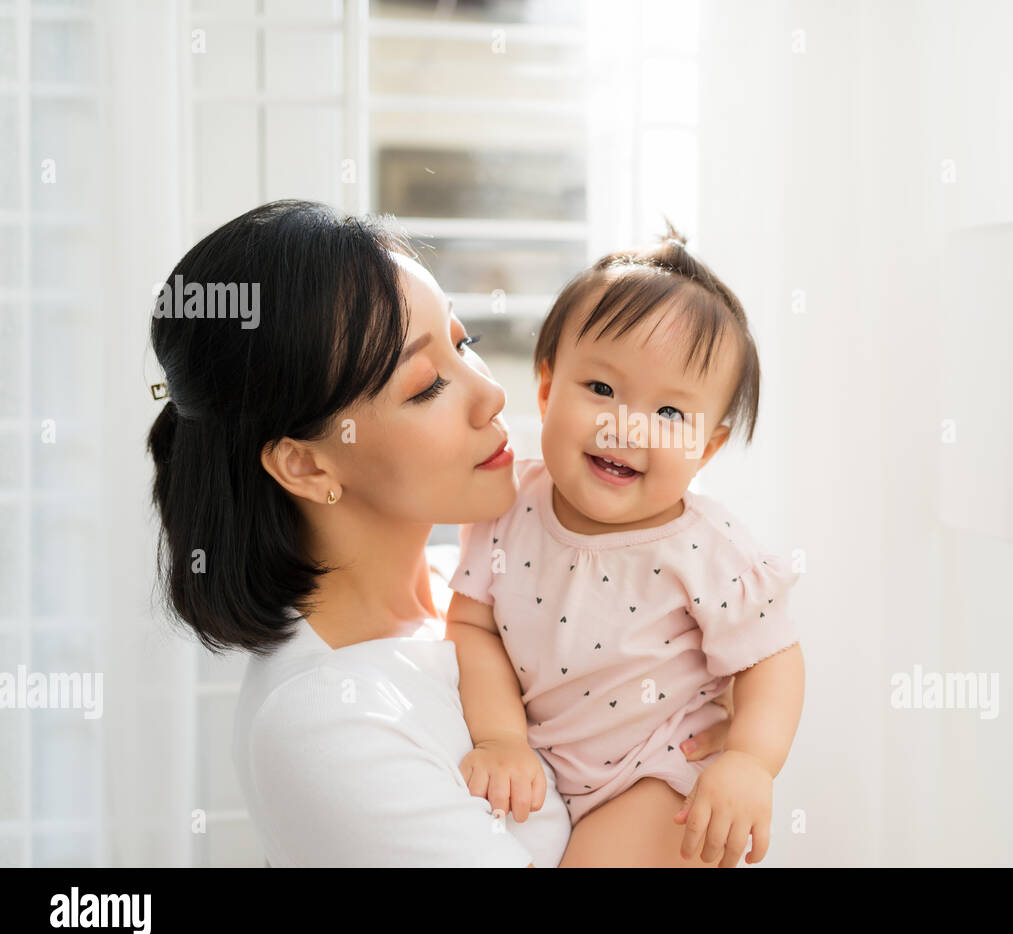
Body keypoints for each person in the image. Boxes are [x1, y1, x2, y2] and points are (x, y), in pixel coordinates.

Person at [145, 199, 735, 866]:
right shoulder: (329, 719)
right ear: (308, 462)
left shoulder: (479, 582)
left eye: (464, 344)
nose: (490, 395)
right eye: (426, 386)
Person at [447, 228, 805, 867]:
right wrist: (502, 738)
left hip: (660, 774)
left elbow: (770, 660)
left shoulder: (706, 548)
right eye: (602, 390)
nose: (625, 425)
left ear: (708, 450)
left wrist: (751, 760)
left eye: (670, 413)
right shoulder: (508, 507)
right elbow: (473, 626)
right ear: (549, 389)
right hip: (549, 771)